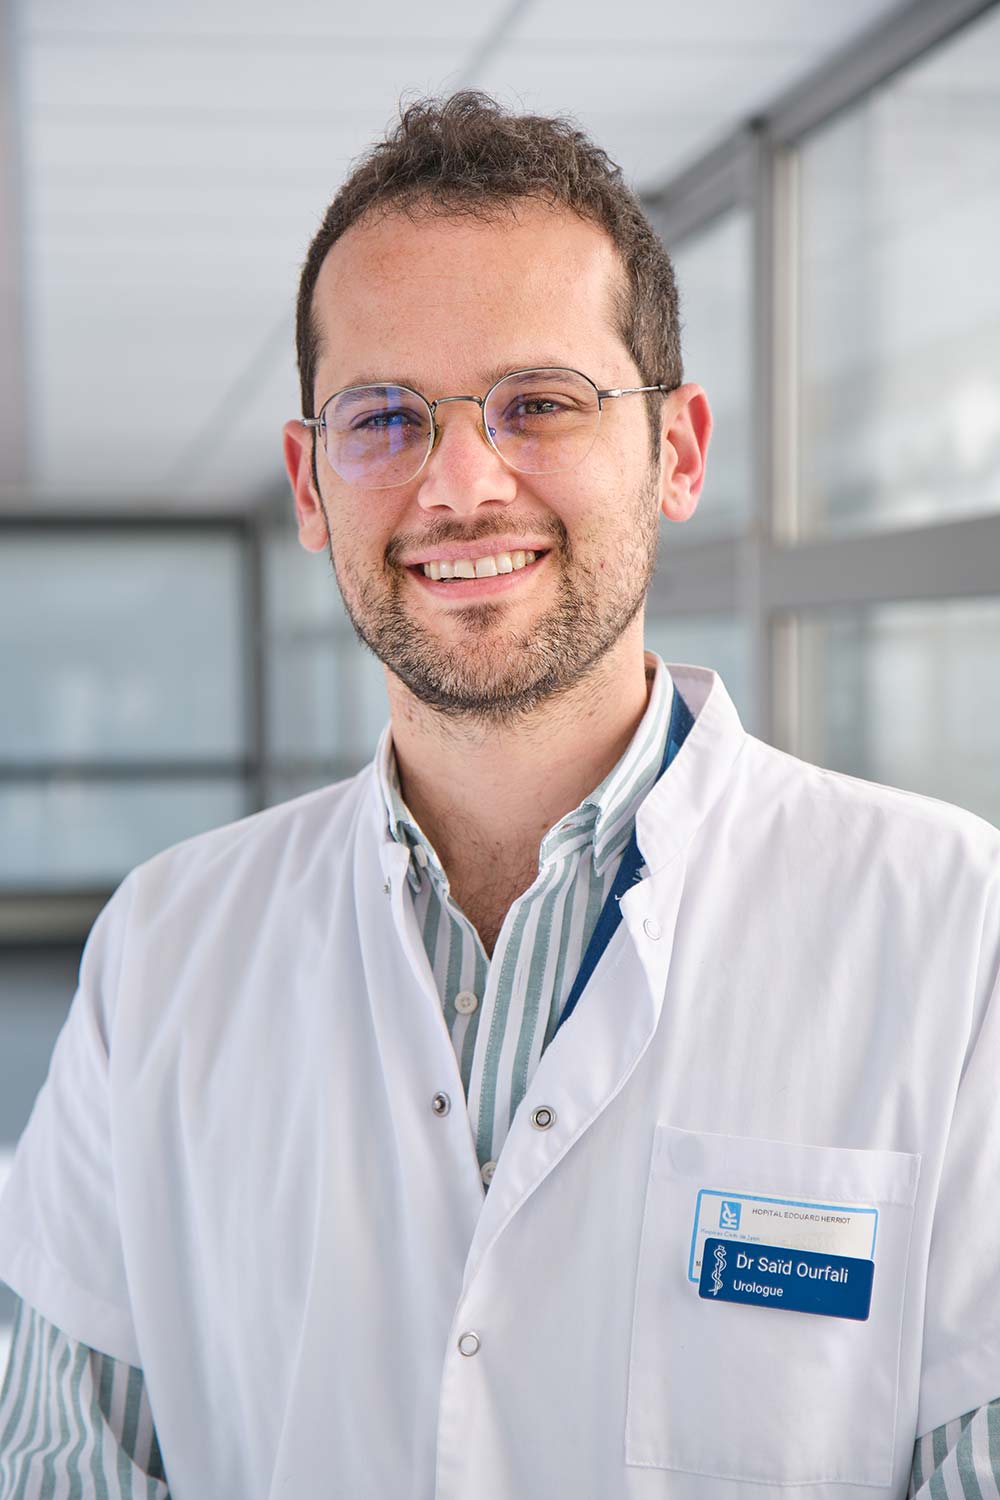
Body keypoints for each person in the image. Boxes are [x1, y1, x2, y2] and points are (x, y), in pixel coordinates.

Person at [0, 91, 998, 1500]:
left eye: (539, 404)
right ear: (310, 483)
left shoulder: (957, 931)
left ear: (679, 452)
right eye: (383, 417)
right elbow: (60, 1453)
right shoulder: (164, 950)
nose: (461, 484)